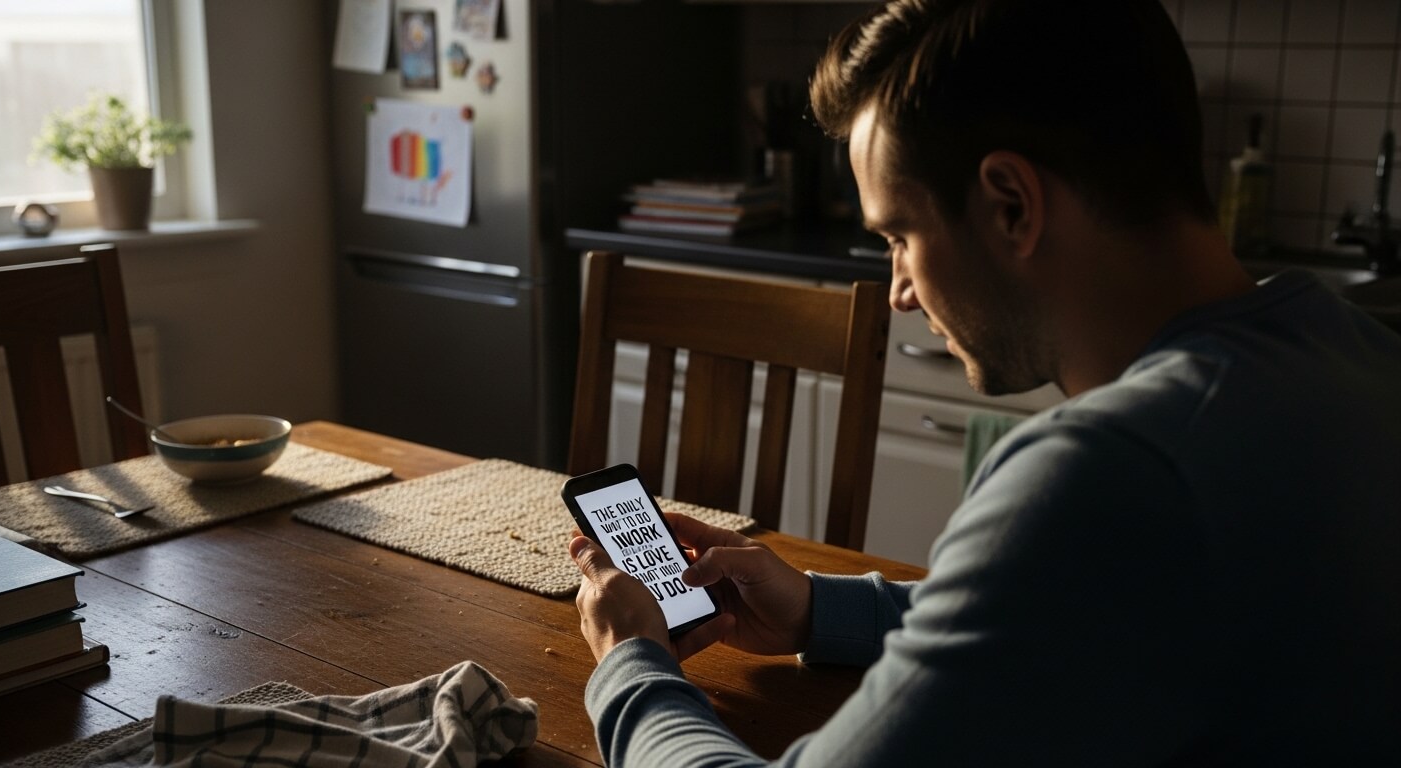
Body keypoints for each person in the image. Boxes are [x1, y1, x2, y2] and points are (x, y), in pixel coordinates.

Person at [566, 0, 1401, 764]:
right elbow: (1076, 611)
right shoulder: (1352, 352)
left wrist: (632, 665)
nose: (896, 290)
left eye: (899, 236)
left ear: (1011, 204)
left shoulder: (1108, 472)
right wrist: (820, 610)